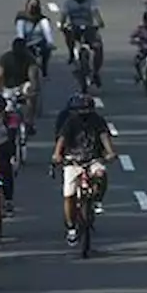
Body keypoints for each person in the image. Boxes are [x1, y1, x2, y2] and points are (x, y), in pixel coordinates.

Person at [51, 94, 115, 245]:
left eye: (87, 110)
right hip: (72, 160)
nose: (84, 113)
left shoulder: (97, 121)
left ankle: (98, 201)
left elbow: (104, 136)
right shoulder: (70, 122)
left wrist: (110, 151)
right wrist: (57, 154)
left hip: (93, 158)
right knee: (69, 195)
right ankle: (71, 228)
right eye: (80, 110)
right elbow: (62, 139)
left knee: (101, 173)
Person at [60, 0, 105, 87]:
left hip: (88, 28)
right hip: (75, 28)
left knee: (98, 47)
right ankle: (71, 52)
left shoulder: (90, 2)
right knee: (67, 33)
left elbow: (95, 13)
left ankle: (96, 72)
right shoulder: (69, 3)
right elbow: (63, 16)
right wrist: (62, 25)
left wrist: (99, 23)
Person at [0, 38, 40, 126]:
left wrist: (33, 90)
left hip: (23, 86)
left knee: (30, 93)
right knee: (3, 108)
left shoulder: (29, 59)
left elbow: (33, 76)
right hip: (7, 88)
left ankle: (29, 120)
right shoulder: (5, 58)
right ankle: (1, 123)